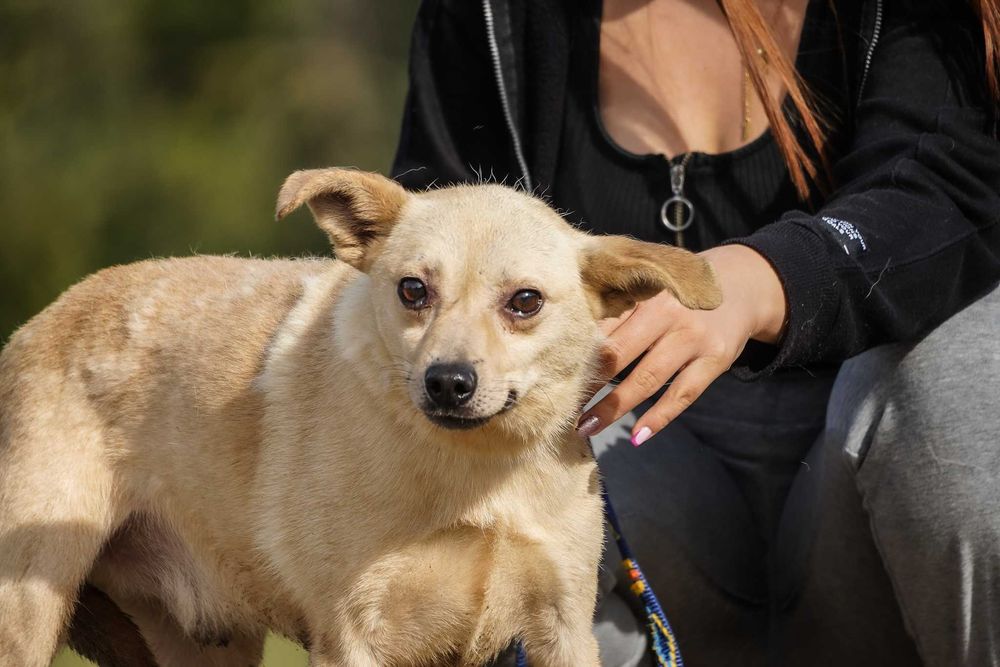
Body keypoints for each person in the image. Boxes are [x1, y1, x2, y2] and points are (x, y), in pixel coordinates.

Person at [391, 0, 1000, 665]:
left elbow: (955, 187)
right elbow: (423, 252)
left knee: (953, 388)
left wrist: (763, 278)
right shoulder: (485, 15)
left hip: (868, 487)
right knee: (484, 476)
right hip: (637, 484)